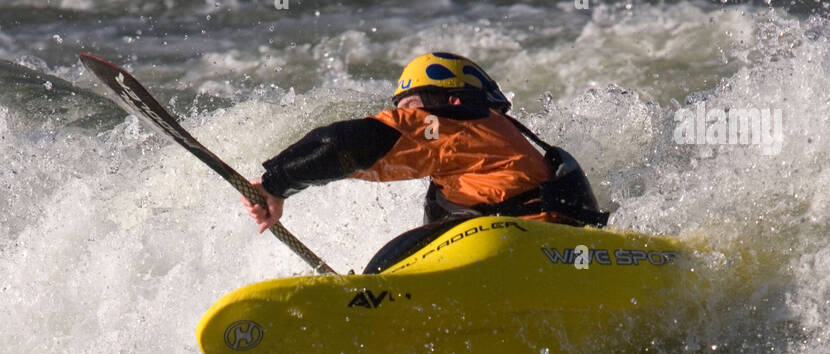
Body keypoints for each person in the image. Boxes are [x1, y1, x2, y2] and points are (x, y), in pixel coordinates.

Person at [242, 52, 608, 272]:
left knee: (393, 263)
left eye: (411, 104)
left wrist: (276, 184)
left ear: (451, 101)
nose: (402, 114)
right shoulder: (492, 143)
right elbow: (360, 156)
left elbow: (339, 145)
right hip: (560, 256)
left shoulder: (445, 126)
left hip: (512, 254)